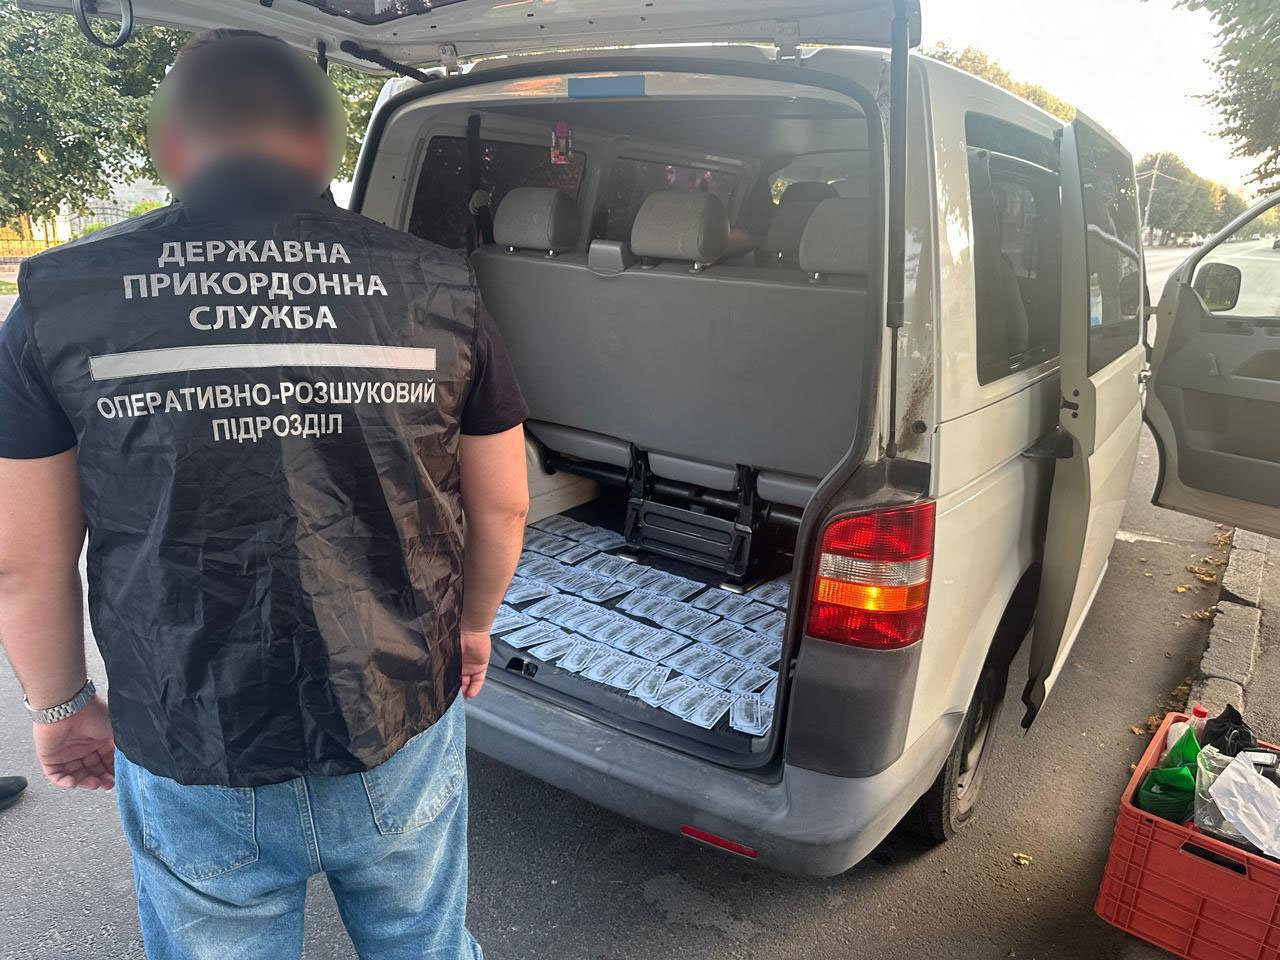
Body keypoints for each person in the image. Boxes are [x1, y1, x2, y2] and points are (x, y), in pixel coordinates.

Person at [0, 30, 529, 960]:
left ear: (173, 144)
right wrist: (473, 627)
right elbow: (503, 507)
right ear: (321, 143)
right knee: (423, 944)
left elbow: (24, 559)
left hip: (191, 727)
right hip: (397, 707)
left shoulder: (58, 296)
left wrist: (60, 707)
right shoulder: (440, 284)